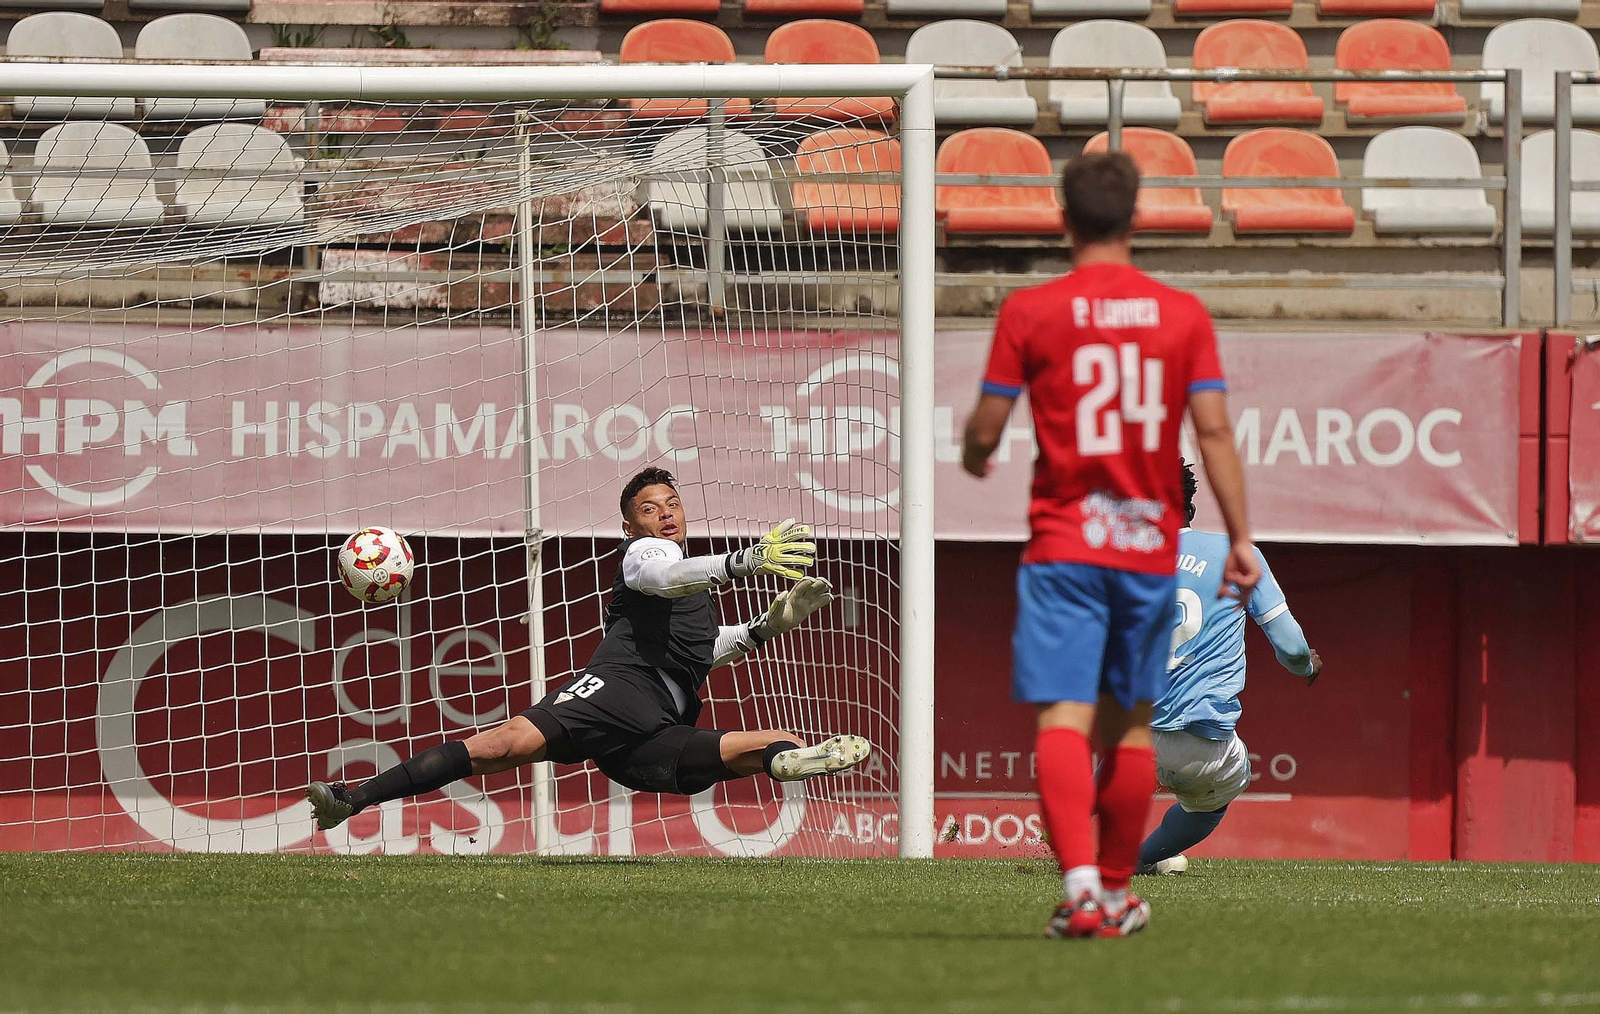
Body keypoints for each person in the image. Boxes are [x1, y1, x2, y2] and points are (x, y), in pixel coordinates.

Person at [961, 151, 1260, 939]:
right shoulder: (1180, 314)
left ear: (1063, 221)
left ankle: (1082, 888)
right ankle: (1119, 894)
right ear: (1137, 220)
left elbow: (985, 435)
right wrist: (1241, 535)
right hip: (1143, 547)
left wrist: (974, 451)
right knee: (1130, 726)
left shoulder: (1030, 311)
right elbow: (1216, 431)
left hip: (1064, 547)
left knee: (1063, 719)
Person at [307, 466, 871, 833]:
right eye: (650, 508)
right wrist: (739, 563)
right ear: (630, 525)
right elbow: (662, 580)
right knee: (500, 745)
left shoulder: (694, 591)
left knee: (778, 743)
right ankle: (352, 798)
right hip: (620, 689)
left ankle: (790, 759)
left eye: (671, 503)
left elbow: (701, 651)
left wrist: (764, 629)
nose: (665, 513)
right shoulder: (643, 556)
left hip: (648, 733)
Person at [1138, 461, 1323, 875]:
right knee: (1211, 801)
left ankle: (1071, 824)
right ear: (1191, 507)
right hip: (1202, 738)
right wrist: (1307, 667)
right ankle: (1142, 859)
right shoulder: (1236, 554)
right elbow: (1291, 647)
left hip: (1136, 726)